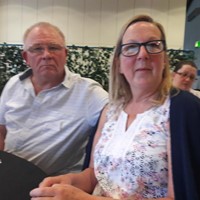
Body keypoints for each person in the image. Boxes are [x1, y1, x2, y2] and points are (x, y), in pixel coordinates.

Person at [30, 15, 200, 200]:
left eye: (152, 45)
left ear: (165, 59)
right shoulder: (111, 110)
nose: (143, 54)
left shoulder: (183, 109)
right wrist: (69, 181)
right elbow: (95, 175)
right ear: (118, 63)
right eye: (131, 47)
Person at [0, 22, 108, 176]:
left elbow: (124, 114)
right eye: (37, 49)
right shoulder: (14, 84)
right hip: (7, 175)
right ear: (26, 57)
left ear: (65, 54)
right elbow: (1, 130)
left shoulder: (88, 94)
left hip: (49, 186)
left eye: (54, 48)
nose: (46, 55)